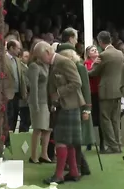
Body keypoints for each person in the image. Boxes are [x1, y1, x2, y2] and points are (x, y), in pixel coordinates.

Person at [33, 41, 85, 184]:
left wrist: (58, 93)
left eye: (39, 56)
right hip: (65, 106)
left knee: (61, 141)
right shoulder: (55, 63)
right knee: (68, 142)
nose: (39, 60)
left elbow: (77, 83)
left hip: (68, 106)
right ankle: (74, 172)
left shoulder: (63, 62)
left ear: (47, 53)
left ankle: (59, 175)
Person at [56, 43, 94, 177]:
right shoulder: (65, 67)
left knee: (76, 139)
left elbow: (86, 89)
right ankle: (80, 167)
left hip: (79, 106)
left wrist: (87, 109)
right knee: (74, 139)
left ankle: (78, 167)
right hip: (70, 106)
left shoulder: (79, 67)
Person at [89, 31, 124, 154]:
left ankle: (112, 146)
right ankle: (118, 144)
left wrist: (90, 66)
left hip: (106, 90)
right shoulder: (120, 54)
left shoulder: (104, 55)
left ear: (100, 41)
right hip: (118, 90)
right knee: (115, 119)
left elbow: (94, 72)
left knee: (105, 119)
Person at [27, 42, 52, 164]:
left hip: (47, 101)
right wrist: (35, 104)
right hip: (39, 101)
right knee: (38, 129)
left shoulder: (47, 66)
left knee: (47, 129)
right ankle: (33, 155)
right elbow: (34, 87)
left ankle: (44, 154)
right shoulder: (34, 66)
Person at [3, 40, 27, 147]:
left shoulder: (17, 60)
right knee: (9, 116)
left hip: (17, 93)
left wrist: (24, 92)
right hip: (8, 93)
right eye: (18, 48)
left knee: (15, 117)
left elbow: (21, 77)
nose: (19, 50)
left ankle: (11, 139)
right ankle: (6, 139)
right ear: (11, 48)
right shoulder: (3, 59)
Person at [84, 45, 104, 151]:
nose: (95, 51)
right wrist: (93, 65)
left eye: (96, 49)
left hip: (100, 92)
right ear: (88, 54)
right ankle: (89, 142)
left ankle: (102, 143)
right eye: (93, 50)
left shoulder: (101, 62)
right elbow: (88, 75)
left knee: (100, 118)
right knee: (90, 118)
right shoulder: (86, 64)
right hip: (91, 93)